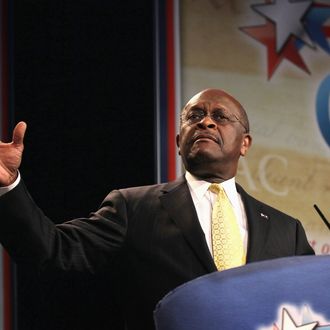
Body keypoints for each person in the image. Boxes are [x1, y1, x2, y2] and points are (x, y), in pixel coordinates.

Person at [0, 89, 314, 329]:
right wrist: (9, 186)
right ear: (179, 141)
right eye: (194, 116)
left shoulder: (287, 230)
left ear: (245, 143)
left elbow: (313, 308)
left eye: (220, 117)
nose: (205, 121)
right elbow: (53, 250)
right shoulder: (134, 208)